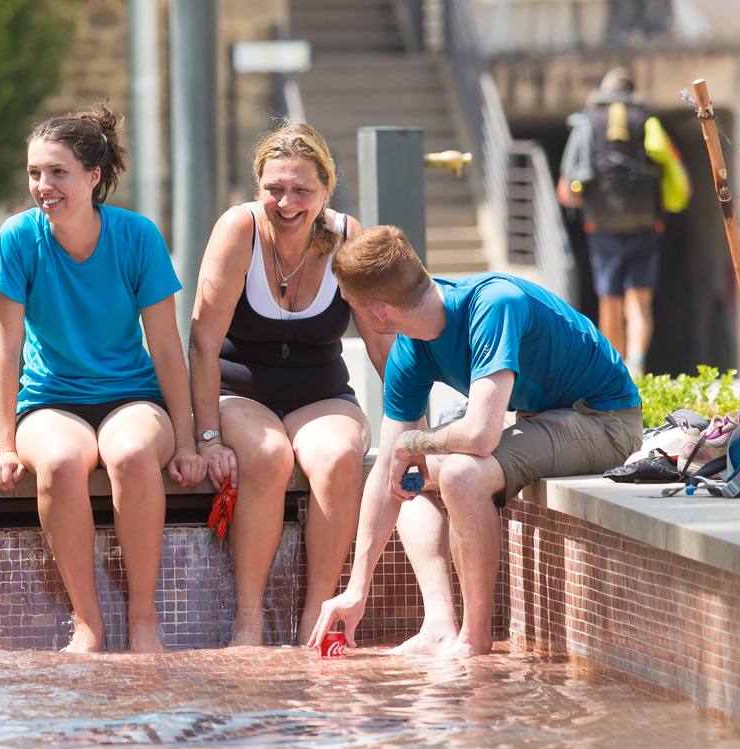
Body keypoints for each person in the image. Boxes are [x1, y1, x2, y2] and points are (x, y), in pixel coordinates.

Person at [307, 226, 640, 657]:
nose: (351, 313)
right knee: (410, 478)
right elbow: (392, 463)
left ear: (377, 310)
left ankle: (474, 641)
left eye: (350, 304)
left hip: (604, 422)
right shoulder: (411, 348)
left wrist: (414, 441)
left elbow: (480, 437)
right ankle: (439, 625)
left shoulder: (493, 304)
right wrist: (356, 589)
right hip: (543, 422)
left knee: (463, 474)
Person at [0, 104, 206, 654]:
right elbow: (4, 351)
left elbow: (168, 348)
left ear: (93, 176)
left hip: (133, 398)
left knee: (129, 456)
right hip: (50, 403)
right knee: (57, 463)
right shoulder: (17, 239)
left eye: (57, 172)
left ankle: (144, 618)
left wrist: (188, 439)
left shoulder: (137, 236)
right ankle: (88, 623)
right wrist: (4, 446)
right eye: (34, 173)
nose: (43, 186)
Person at [187, 122, 394, 646]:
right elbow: (201, 342)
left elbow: (381, 343)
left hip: (320, 393)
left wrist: (411, 433)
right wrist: (207, 437)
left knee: (339, 457)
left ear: (326, 189)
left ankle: (317, 624)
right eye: (274, 188)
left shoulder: (350, 239)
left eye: (301, 190)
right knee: (268, 455)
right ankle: (248, 622)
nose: (286, 202)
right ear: (259, 188)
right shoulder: (239, 230)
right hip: (240, 392)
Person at [557, 67, 691, 378]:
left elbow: (567, 190)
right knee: (639, 302)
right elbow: (670, 167)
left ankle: (614, 371)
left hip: (601, 228)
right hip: (645, 224)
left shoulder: (587, 122)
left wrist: (592, 200)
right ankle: (638, 364)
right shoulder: (647, 121)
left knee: (610, 302)